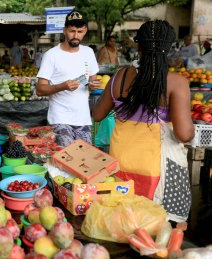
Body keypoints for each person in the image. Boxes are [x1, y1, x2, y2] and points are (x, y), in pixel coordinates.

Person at [92, 20, 194, 221]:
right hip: (156, 172)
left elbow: (97, 115)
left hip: (120, 167)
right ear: (169, 47)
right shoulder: (176, 83)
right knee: (152, 227)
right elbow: (183, 134)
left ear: (138, 46)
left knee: (123, 221)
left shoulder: (120, 77)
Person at [36, 10, 100, 147]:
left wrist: (92, 84)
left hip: (83, 119)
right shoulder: (51, 55)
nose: (76, 36)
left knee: (84, 160)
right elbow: (40, 89)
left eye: (80, 31)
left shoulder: (88, 52)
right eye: (72, 31)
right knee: (66, 161)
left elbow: (92, 79)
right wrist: (62, 86)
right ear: (64, 30)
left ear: (85, 31)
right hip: (60, 118)